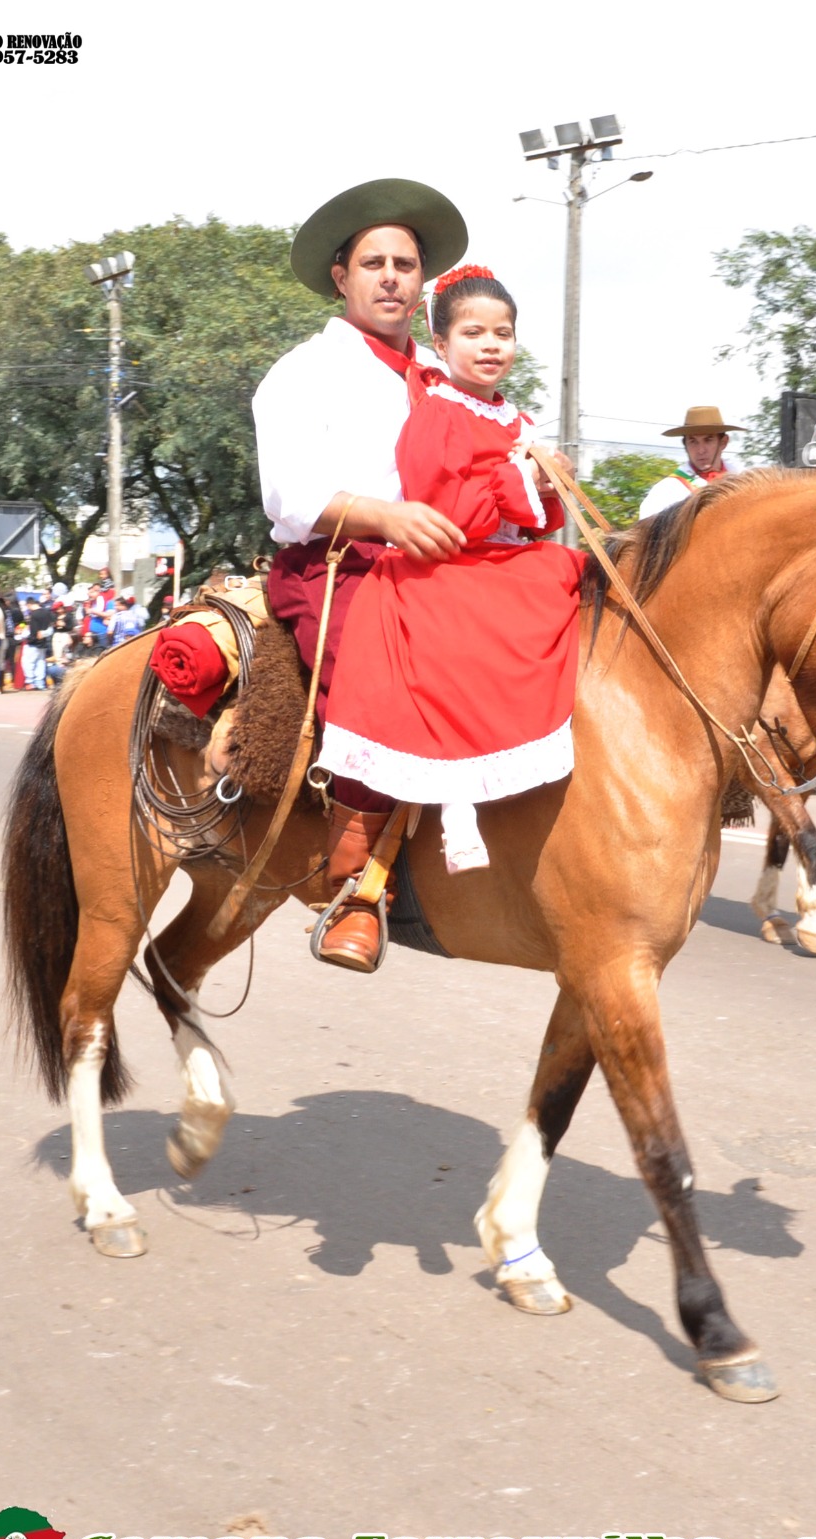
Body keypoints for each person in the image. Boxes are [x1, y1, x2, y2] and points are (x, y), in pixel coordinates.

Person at [253, 178, 476, 972]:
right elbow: (289, 496)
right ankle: (359, 886)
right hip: (339, 565)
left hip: (440, 566)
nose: (390, 278)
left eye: (405, 265)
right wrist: (387, 518)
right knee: (385, 676)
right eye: (373, 264)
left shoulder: (450, 375)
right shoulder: (302, 373)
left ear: (422, 283)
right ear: (341, 277)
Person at [320, 265, 580, 877]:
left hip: (506, 555)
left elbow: (534, 522)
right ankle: (455, 802)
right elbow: (445, 510)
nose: (491, 346)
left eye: (503, 334)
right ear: (441, 343)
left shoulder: (518, 420)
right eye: (473, 333)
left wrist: (549, 483)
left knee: (580, 577)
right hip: (450, 557)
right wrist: (520, 478)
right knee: (462, 639)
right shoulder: (438, 412)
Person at [638, 405, 745, 519]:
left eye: (708, 440)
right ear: (685, 444)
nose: (701, 450)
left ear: (723, 442)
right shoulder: (666, 491)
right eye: (693, 441)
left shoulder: (743, 480)